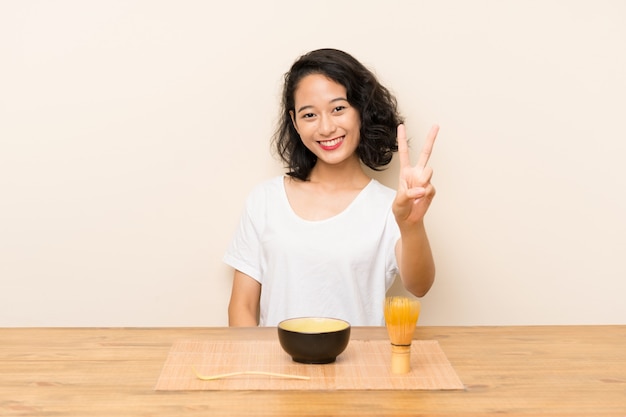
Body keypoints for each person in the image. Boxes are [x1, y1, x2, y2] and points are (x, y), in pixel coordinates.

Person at [224, 48, 439, 327]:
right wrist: (257, 369)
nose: (325, 128)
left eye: (338, 109)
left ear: (360, 110)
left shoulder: (391, 207)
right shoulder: (264, 200)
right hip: (277, 370)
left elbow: (419, 286)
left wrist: (411, 225)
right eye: (310, 115)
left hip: (361, 369)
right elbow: (242, 306)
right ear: (294, 122)